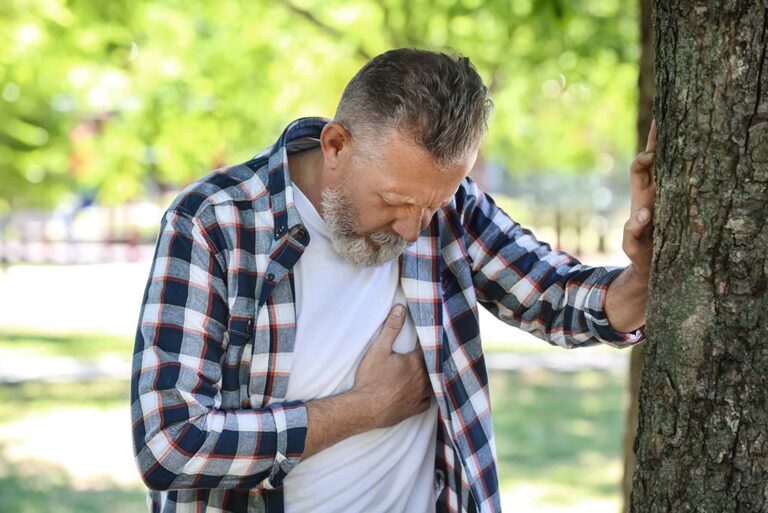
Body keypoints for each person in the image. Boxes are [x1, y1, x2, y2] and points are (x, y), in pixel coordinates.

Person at [131, 48, 655, 513]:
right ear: (336, 145)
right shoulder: (213, 222)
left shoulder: (446, 210)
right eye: (394, 202)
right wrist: (365, 408)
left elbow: (557, 298)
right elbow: (171, 445)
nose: (412, 228)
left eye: (433, 205)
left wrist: (645, 273)